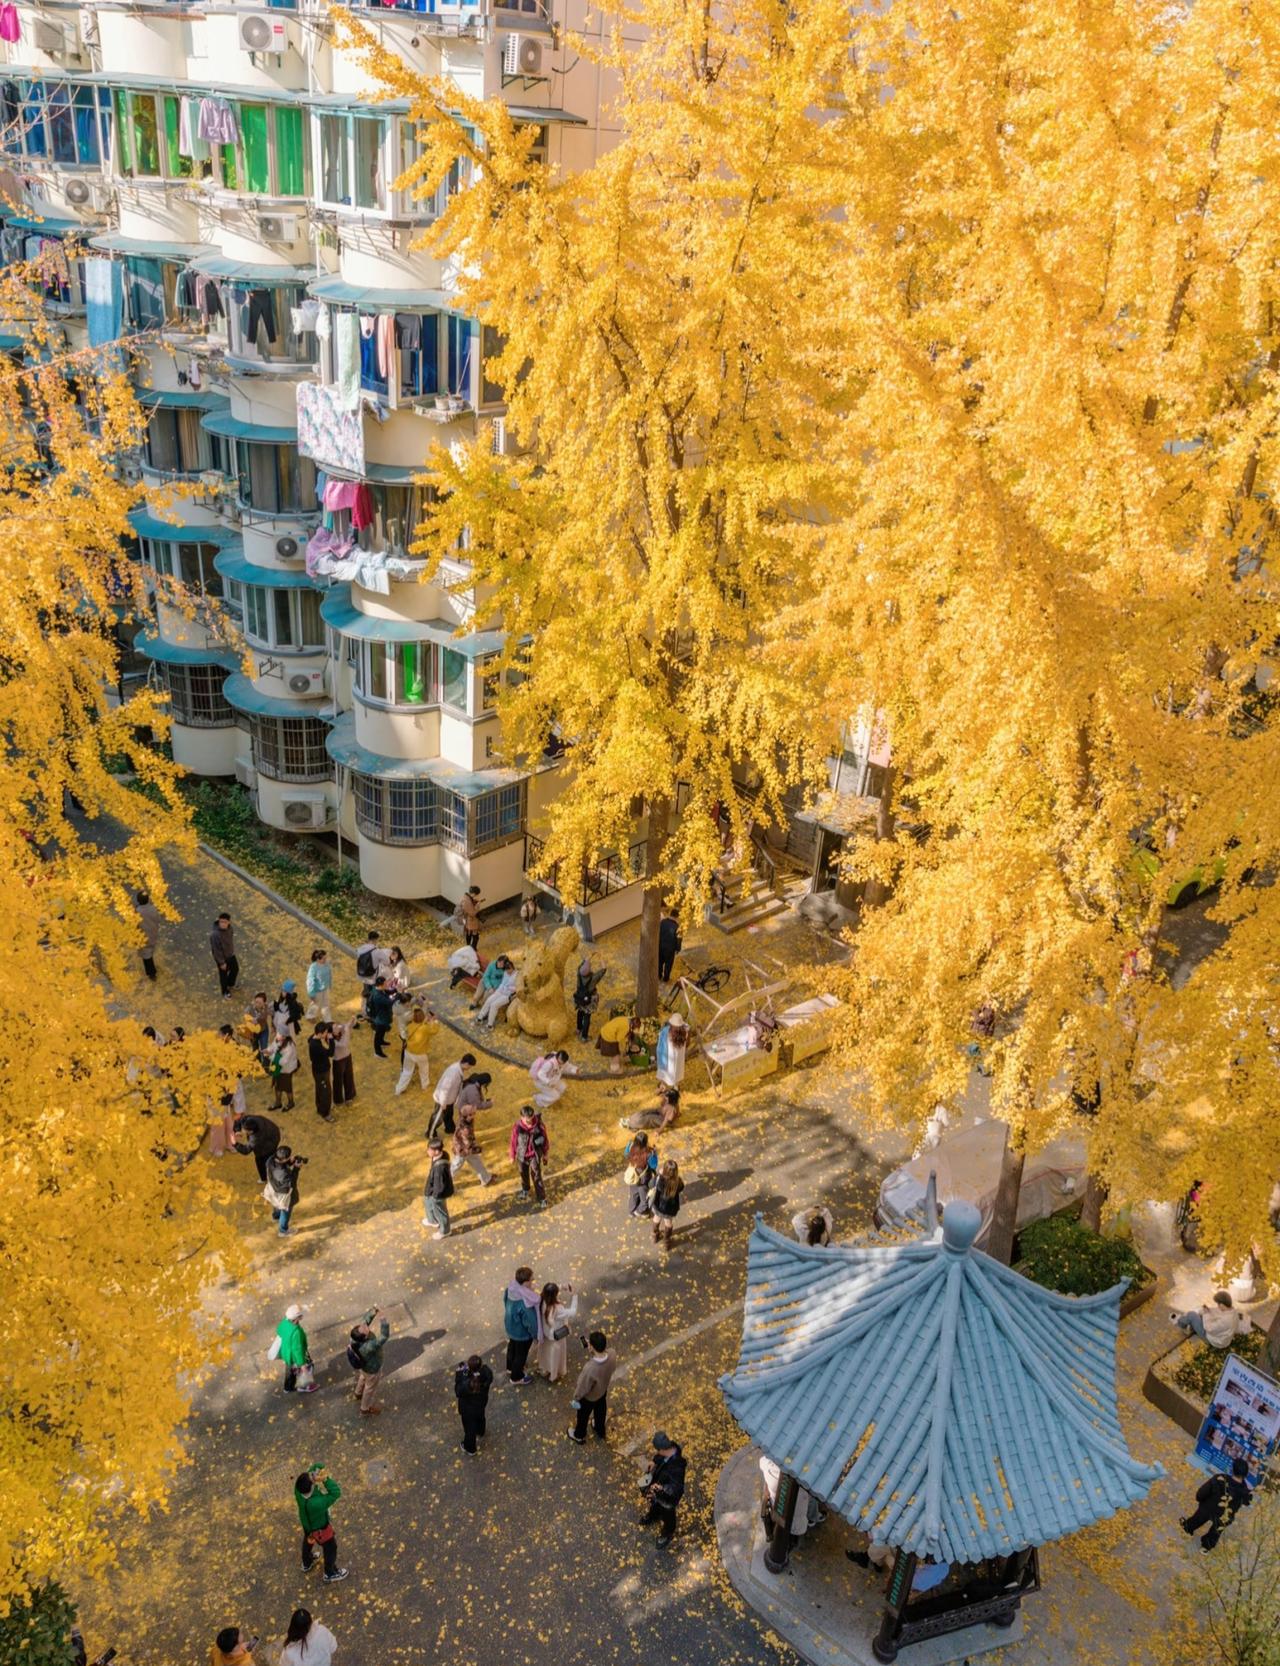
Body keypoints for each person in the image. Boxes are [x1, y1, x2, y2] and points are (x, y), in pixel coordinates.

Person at [1182, 1457, 1252, 1550]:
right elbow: (1248, 1502)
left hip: (1208, 1507)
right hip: (1225, 1515)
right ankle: (1206, 1547)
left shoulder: (1220, 1478)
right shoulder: (1245, 1491)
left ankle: (1188, 1527)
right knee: (1216, 1531)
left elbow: (1202, 1492)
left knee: (1198, 1517)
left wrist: (1199, 1498)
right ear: (1245, 1474)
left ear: (1233, 1469)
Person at [294, 1465, 348, 1582]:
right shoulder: (316, 1503)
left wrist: (319, 1468)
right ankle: (330, 1573)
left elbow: (314, 1466)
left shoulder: (298, 1490)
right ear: (312, 1486)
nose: (312, 1475)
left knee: (308, 1541)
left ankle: (307, 1562)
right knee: (331, 1548)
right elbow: (336, 1493)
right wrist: (325, 1479)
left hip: (307, 1525)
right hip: (320, 1529)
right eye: (312, 1478)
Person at [569, 1330, 616, 1443]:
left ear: (592, 1348)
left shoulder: (590, 1369)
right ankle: (599, 1429)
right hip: (603, 1390)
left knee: (583, 1416)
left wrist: (576, 1398)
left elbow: (582, 1387)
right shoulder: (612, 1353)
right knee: (601, 1409)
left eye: (590, 1344)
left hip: (589, 1398)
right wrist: (593, 1347)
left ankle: (579, 1435)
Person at [641, 1432, 686, 1546]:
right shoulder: (669, 1448)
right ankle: (654, 1515)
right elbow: (659, 1456)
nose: (657, 1452)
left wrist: (662, 1488)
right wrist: (654, 1461)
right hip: (659, 1485)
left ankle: (667, 1533)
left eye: (658, 1450)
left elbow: (676, 1488)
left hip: (668, 1498)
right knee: (654, 1503)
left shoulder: (678, 1466)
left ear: (662, 1449)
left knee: (668, 1515)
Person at [349, 1307, 390, 1415]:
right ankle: (365, 1408)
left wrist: (373, 1312)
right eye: (365, 1328)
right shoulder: (369, 1346)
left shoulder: (355, 1337)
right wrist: (383, 1320)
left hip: (364, 1367)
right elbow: (384, 1336)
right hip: (372, 1369)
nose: (365, 1326)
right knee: (369, 1388)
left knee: (362, 1378)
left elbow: (364, 1321)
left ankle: (358, 1393)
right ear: (365, 1336)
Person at [1172, 1291, 1250, 1347]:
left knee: (1192, 1315)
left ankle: (1180, 1322)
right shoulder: (1233, 1312)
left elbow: (1208, 1328)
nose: (1218, 1306)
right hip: (1222, 1338)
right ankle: (1190, 1325)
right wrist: (1209, 1310)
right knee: (1200, 1313)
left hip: (1214, 1340)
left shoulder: (1225, 1320)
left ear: (1222, 1305)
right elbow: (1218, 1312)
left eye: (1218, 1304)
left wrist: (1206, 1314)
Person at [503, 1266, 539, 1385]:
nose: (533, 1281)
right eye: (531, 1280)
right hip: (522, 1333)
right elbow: (530, 1321)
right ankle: (516, 1377)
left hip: (510, 1326)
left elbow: (505, 1301)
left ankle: (510, 1367)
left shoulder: (510, 1289)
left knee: (512, 1346)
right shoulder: (525, 1301)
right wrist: (535, 1334)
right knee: (521, 1355)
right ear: (525, 1282)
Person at [536, 1281, 578, 1382]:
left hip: (546, 1333)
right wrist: (575, 1296)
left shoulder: (541, 1300)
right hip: (556, 1336)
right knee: (555, 1355)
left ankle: (544, 1369)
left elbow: (549, 1291)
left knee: (546, 1352)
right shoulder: (558, 1309)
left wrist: (561, 1286)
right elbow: (572, 1312)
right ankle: (553, 1375)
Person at [510, 1105, 550, 1205]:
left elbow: (545, 1140)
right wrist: (512, 1155)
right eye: (527, 1121)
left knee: (536, 1176)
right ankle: (525, 1190)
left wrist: (545, 1154)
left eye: (531, 1120)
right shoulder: (517, 1127)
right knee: (523, 1174)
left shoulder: (539, 1126)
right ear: (522, 1118)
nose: (530, 1123)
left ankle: (542, 1198)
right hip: (522, 1155)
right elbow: (513, 1142)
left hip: (534, 1155)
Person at [455, 1354, 493, 1455]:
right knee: (480, 1417)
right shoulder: (486, 1372)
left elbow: (458, 1391)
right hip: (481, 1403)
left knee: (469, 1428)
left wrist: (459, 1375)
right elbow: (485, 1375)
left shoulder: (466, 1383)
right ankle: (480, 1431)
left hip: (468, 1409)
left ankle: (470, 1448)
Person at [396, 1005, 437, 1094]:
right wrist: (433, 1021)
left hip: (408, 1051)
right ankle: (425, 1086)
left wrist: (425, 1022)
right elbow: (434, 1031)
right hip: (420, 1054)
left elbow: (417, 1027)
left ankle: (399, 1089)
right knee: (424, 1070)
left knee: (407, 1071)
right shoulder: (425, 1028)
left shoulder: (410, 1025)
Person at [432, 1054, 476, 1137]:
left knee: (448, 1115)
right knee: (438, 1118)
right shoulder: (453, 1073)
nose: (469, 1068)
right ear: (466, 1064)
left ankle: (450, 1128)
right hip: (443, 1100)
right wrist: (443, 1103)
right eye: (469, 1066)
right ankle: (431, 1133)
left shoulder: (458, 1069)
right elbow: (444, 1089)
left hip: (450, 1099)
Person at [452, 1098, 493, 1186]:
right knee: (455, 1166)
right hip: (463, 1151)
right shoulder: (465, 1129)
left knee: (477, 1162)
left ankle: (486, 1179)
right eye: (473, 1113)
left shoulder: (466, 1120)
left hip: (467, 1150)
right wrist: (477, 1149)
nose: (475, 1114)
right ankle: (445, 1182)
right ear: (468, 1116)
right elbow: (467, 1143)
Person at [273, 1303, 313, 1393]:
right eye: (300, 1315)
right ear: (296, 1319)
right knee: (305, 1368)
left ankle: (288, 1387)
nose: (302, 1316)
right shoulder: (296, 1333)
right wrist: (302, 1364)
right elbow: (297, 1350)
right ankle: (304, 1386)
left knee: (289, 1371)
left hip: (287, 1353)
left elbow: (279, 1331)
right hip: (294, 1356)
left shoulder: (285, 1322)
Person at [264, 1146, 302, 1236]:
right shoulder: (284, 1174)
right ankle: (283, 1230)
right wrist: (296, 1168)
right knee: (285, 1210)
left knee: (277, 1203)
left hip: (273, 1189)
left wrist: (289, 1162)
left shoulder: (270, 1160)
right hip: (284, 1193)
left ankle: (276, 1216)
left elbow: (280, 1165)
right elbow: (292, 1182)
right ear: (284, 1159)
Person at [234, 1113, 280, 1183]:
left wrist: (235, 1144)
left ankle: (264, 1178)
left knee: (260, 1160)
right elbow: (239, 1120)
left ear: (251, 1132)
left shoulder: (256, 1138)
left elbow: (246, 1150)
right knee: (270, 1156)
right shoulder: (249, 1119)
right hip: (274, 1132)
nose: (243, 1131)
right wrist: (237, 1129)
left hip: (270, 1143)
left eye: (245, 1130)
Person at [422, 1137, 454, 1239]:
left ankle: (445, 1230)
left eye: (429, 1150)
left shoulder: (440, 1168)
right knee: (427, 1201)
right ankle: (432, 1220)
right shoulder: (442, 1154)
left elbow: (439, 1185)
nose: (427, 1151)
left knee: (440, 1210)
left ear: (436, 1151)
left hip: (438, 1192)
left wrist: (435, 1196)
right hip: (432, 1187)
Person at [651, 1159, 685, 1247]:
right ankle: (666, 1240)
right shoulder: (678, 1182)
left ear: (664, 1170)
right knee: (668, 1222)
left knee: (656, 1218)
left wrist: (659, 1175)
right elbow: (681, 1188)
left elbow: (652, 1184)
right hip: (670, 1208)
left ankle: (655, 1235)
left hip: (659, 1205)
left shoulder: (660, 1180)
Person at [624, 1133, 659, 1216]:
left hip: (633, 1176)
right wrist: (655, 1154)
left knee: (633, 1194)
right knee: (644, 1196)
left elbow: (626, 1154)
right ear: (646, 1142)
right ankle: (641, 1211)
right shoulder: (649, 1153)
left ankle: (631, 1210)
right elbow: (653, 1166)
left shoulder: (630, 1145)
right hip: (643, 1178)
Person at [355, 929, 388, 1016]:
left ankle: (363, 1011)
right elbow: (387, 961)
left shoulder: (360, 949)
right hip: (372, 977)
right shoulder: (377, 951)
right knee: (373, 995)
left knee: (365, 993)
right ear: (375, 940)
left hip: (362, 975)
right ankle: (371, 1012)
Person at [477, 958, 517, 1028]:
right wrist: (499, 990)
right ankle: (480, 1017)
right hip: (500, 991)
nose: (508, 972)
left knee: (494, 1005)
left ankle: (490, 1024)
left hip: (508, 995)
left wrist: (507, 988)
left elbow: (516, 988)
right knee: (489, 1000)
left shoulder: (517, 975)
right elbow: (502, 983)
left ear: (513, 968)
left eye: (509, 969)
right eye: (506, 970)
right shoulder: (505, 973)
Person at [573, 958, 606, 1043]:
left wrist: (585, 960)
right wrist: (602, 962)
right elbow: (602, 971)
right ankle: (584, 1037)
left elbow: (579, 967)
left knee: (580, 1013)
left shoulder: (579, 974)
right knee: (587, 1017)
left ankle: (578, 1029)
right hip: (589, 1000)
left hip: (579, 998)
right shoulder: (593, 978)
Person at [308, 1024, 334, 1120]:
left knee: (319, 1089)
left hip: (316, 1070)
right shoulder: (317, 1046)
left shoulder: (312, 1039)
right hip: (322, 1071)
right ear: (319, 1033)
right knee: (326, 1092)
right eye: (325, 1033)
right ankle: (325, 1113)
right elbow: (331, 1053)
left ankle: (319, 1108)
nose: (327, 1034)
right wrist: (331, 1040)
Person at [268, 1032, 299, 1111]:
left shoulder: (290, 1047)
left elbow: (283, 1061)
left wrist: (271, 1056)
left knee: (287, 1087)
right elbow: (271, 1047)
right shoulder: (278, 1039)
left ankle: (291, 1103)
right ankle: (278, 1103)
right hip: (278, 1068)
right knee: (277, 1086)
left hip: (286, 1070)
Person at [655, 1017, 688, 1091]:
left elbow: (661, 1039)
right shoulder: (685, 1032)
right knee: (677, 1071)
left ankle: (663, 1085)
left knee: (666, 1071)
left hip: (668, 1058)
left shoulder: (667, 1033)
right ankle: (675, 1086)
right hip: (679, 1058)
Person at [211, 912, 239, 997]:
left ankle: (231, 984)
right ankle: (225, 991)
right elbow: (216, 950)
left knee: (235, 969)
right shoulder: (215, 935)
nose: (222, 924)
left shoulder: (230, 929)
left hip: (231, 954)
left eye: (225, 922)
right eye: (221, 922)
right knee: (223, 975)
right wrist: (221, 962)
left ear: (229, 922)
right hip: (222, 958)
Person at [134, 889, 160, 981]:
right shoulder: (153, 908)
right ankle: (152, 972)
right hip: (153, 931)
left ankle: (152, 974)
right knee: (149, 950)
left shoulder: (138, 912)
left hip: (144, 935)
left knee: (146, 955)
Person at [366, 976, 394, 1059]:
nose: (387, 984)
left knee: (382, 1032)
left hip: (381, 1017)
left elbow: (387, 992)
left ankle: (381, 1041)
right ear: (381, 985)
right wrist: (398, 994)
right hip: (380, 1018)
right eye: (385, 983)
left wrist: (395, 991)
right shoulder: (378, 996)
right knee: (378, 1034)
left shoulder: (378, 989)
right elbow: (389, 1002)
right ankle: (377, 1052)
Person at [330, 1020, 356, 1107]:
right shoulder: (331, 1039)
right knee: (338, 1080)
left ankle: (349, 1096)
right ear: (332, 1032)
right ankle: (338, 1099)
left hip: (347, 1056)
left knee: (349, 1077)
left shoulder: (340, 1029)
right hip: (338, 1060)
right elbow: (344, 1044)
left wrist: (352, 1021)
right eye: (335, 1027)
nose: (338, 1027)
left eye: (337, 1025)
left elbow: (350, 1024)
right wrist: (347, 1031)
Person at [305, 950, 333, 1022]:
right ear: (318, 959)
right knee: (315, 1003)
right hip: (317, 990)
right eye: (323, 958)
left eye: (325, 958)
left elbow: (329, 975)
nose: (325, 960)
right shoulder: (313, 967)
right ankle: (310, 1016)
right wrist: (311, 993)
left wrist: (329, 985)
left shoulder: (326, 965)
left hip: (325, 988)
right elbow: (310, 980)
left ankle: (327, 1020)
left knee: (326, 1004)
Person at [657, 908, 682, 983]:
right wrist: (678, 949)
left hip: (660, 946)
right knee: (668, 964)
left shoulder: (662, 922)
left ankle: (659, 975)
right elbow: (679, 939)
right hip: (670, 949)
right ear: (677, 917)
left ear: (670, 914)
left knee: (660, 962)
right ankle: (666, 978)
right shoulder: (677, 927)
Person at [459, 884, 483, 950]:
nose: (476, 896)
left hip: (468, 920)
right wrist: (477, 906)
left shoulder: (466, 897)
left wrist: (475, 902)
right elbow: (472, 913)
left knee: (469, 933)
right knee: (475, 935)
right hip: (470, 920)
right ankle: (473, 948)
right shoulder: (467, 901)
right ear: (473, 893)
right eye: (476, 894)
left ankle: (469, 947)